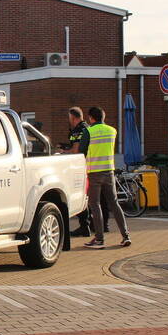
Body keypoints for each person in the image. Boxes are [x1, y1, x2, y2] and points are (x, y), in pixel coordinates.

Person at [79, 106, 130, 249]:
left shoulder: (88, 131)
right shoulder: (112, 131)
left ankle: (100, 239)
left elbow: (82, 152)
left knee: (95, 205)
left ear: (91, 118)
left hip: (94, 172)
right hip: (109, 171)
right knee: (114, 203)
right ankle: (125, 236)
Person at [62, 107, 107, 237]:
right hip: (96, 167)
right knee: (97, 199)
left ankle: (85, 226)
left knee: (82, 196)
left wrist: (63, 152)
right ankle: (92, 226)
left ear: (73, 117)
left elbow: (76, 151)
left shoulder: (78, 130)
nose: (68, 120)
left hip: (81, 167)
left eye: (69, 118)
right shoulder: (87, 127)